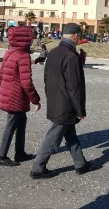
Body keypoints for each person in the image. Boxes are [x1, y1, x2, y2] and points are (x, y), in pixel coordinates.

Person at [31, 23, 95, 179]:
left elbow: (48, 77)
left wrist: (81, 61)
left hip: (55, 100)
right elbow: (75, 86)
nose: (79, 38)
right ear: (74, 37)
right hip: (66, 104)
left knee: (70, 134)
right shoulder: (71, 56)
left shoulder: (54, 52)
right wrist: (80, 110)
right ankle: (37, 168)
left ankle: (80, 164)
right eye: (79, 36)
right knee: (53, 137)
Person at [0, 26, 41, 167]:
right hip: (16, 96)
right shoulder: (23, 56)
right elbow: (26, 82)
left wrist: (5, 90)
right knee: (11, 124)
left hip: (11, 94)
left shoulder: (9, 53)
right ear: (25, 39)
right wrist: (36, 99)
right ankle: (1, 156)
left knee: (21, 122)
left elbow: (0, 76)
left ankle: (20, 153)